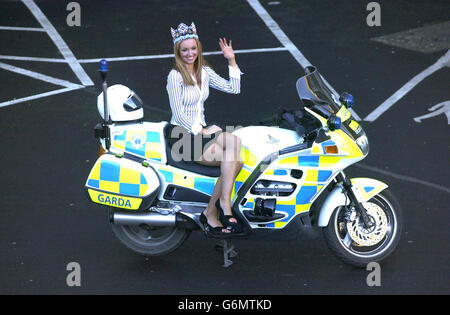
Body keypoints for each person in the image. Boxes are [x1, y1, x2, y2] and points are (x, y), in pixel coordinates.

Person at [166, 22, 243, 237]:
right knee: (234, 160)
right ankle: (220, 209)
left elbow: (233, 88)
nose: (190, 54)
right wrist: (202, 131)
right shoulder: (175, 76)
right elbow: (179, 114)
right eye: (185, 50)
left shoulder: (205, 72)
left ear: (198, 48)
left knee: (235, 147)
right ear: (178, 52)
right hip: (182, 135)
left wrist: (231, 60)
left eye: (193, 48)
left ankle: (214, 210)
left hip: (202, 131)